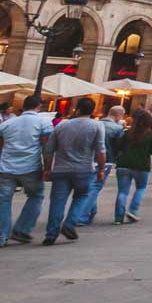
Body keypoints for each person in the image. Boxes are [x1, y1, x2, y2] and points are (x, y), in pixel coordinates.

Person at [0, 95, 51, 246]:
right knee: (36, 196)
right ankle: (22, 229)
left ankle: (0, 236)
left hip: (6, 168)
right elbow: (47, 147)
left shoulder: (7, 123)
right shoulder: (43, 122)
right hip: (30, 167)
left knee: (3, 200)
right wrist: (48, 168)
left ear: (23, 106)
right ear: (39, 106)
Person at [43, 97, 104, 245]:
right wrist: (101, 168)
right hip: (84, 169)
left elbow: (49, 150)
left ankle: (51, 234)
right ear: (93, 110)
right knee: (82, 196)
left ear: (77, 109)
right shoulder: (97, 126)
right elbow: (100, 150)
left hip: (61, 169)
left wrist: (47, 169)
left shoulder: (61, 126)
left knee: (57, 201)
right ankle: (70, 223)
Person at [75, 106, 128, 226]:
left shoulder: (94, 125)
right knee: (94, 188)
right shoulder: (117, 129)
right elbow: (119, 147)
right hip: (106, 160)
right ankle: (82, 216)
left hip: (88, 159)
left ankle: (90, 213)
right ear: (119, 115)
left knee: (90, 187)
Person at [113, 107, 152, 224]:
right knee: (141, 188)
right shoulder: (151, 135)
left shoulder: (127, 133)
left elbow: (119, 146)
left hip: (123, 164)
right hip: (142, 165)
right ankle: (133, 210)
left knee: (122, 191)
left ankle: (118, 217)